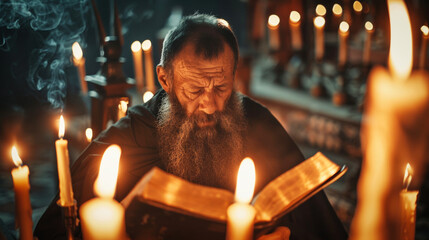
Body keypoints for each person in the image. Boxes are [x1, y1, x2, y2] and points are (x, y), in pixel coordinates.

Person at [35, 13, 348, 240]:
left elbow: (315, 226)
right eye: (195, 90)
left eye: (222, 87)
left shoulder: (256, 123)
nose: (210, 105)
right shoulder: (131, 137)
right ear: (164, 79)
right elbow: (56, 228)